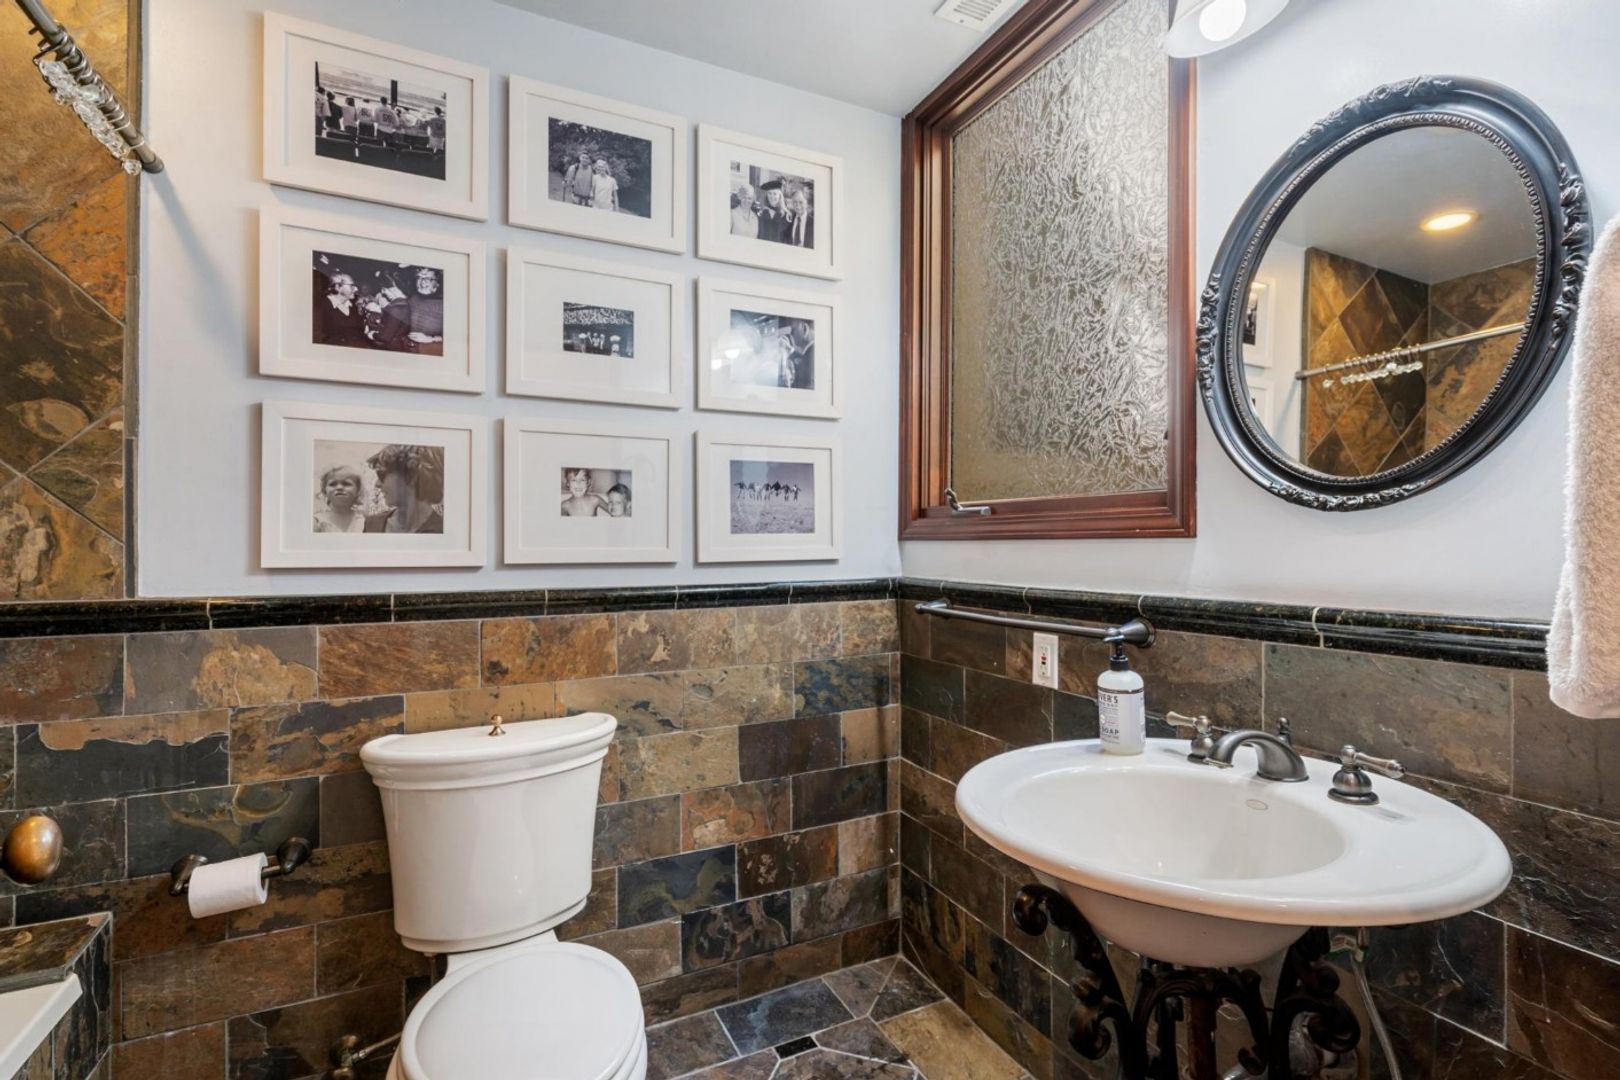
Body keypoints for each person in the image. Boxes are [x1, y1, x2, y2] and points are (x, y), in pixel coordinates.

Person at [364, 445, 445, 534]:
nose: (377, 484)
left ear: (412, 475)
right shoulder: (372, 526)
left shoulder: (443, 531)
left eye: (382, 475)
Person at [376, 267, 444, 355]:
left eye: (428, 278)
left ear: (438, 283)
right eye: (419, 277)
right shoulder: (413, 299)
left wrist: (431, 339)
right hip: (406, 348)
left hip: (429, 351)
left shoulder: (445, 305)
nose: (422, 282)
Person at [316, 272, 367, 349]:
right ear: (338, 287)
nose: (356, 289)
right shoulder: (321, 307)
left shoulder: (353, 307)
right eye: (351, 286)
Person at [313, 465, 366, 533]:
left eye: (346, 484)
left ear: (358, 490)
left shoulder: (365, 521)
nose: (339, 487)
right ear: (324, 490)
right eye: (332, 484)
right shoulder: (316, 521)